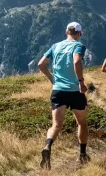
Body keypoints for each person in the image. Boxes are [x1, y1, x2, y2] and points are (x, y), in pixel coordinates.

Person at [37, 21, 89, 169]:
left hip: (58, 90)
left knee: (56, 125)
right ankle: (82, 155)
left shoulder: (55, 46)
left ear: (66, 32)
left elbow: (41, 64)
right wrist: (81, 82)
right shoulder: (78, 46)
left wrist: (52, 79)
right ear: (80, 33)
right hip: (75, 91)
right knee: (82, 123)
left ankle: (48, 146)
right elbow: (77, 61)